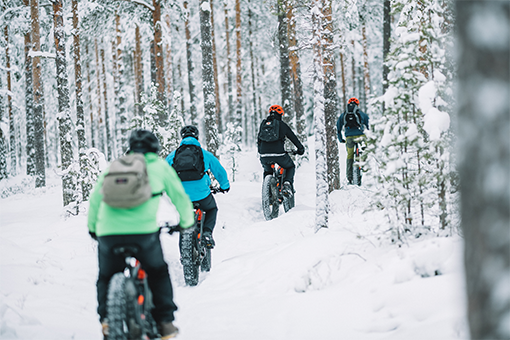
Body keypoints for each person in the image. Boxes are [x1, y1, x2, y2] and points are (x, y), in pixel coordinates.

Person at [88, 129, 195, 340]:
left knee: (106, 276)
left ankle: (107, 321)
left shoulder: (115, 166)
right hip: (143, 235)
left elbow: (94, 200)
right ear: (155, 148)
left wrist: (94, 229)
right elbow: (181, 199)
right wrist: (186, 224)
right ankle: (165, 323)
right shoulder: (159, 166)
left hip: (108, 234)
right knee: (158, 271)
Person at [166, 125, 230, 249]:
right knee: (212, 209)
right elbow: (219, 171)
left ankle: (184, 254)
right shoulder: (204, 154)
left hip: (181, 196)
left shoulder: (173, 155)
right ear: (197, 137)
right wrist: (224, 186)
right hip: (202, 194)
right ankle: (207, 232)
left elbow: (161, 172)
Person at [257, 104, 305, 196]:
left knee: (268, 171)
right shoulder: (281, 125)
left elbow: (259, 140)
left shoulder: (263, 124)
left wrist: (262, 152)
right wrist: (300, 149)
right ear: (280, 114)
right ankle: (287, 184)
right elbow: (292, 137)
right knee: (290, 166)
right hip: (279, 154)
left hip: (264, 155)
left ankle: (268, 194)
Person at [336, 97, 370, 185]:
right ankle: (364, 169)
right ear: (357, 105)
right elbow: (368, 125)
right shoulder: (362, 114)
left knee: (350, 156)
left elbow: (338, 127)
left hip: (349, 137)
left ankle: (350, 177)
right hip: (360, 136)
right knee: (364, 151)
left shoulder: (344, 115)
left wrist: (340, 138)